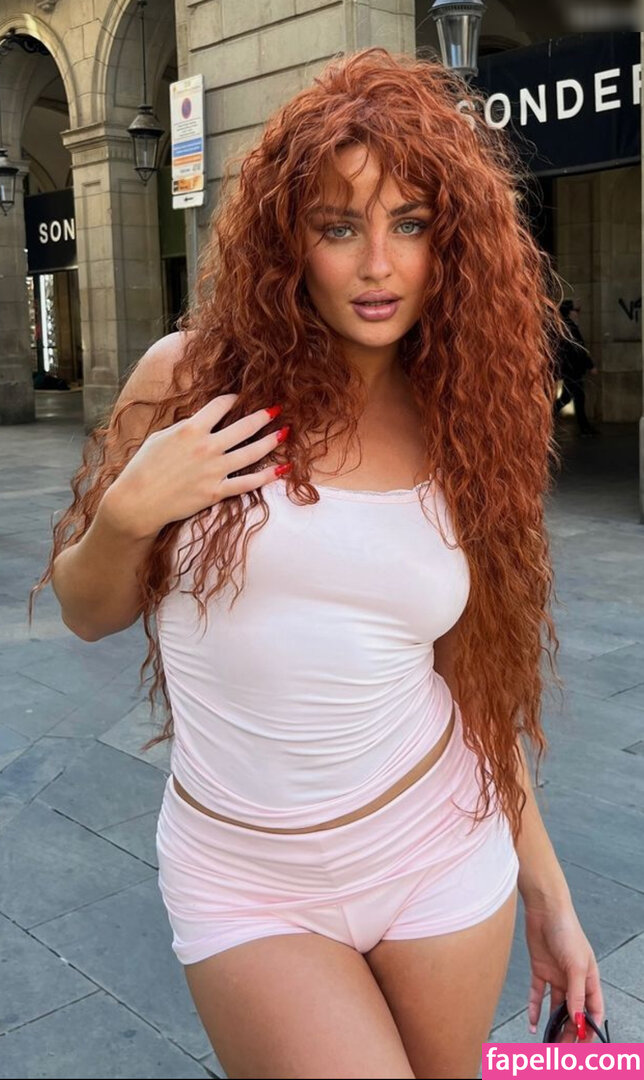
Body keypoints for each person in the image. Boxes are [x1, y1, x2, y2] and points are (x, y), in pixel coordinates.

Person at [30, 49, 605, 1079]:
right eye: (340, 228)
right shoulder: (188, 382)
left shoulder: (464, 421)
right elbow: (85, 610)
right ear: (288, 241)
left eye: (409, 225)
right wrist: (128, 514)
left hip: (438, 851)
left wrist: (550, 898)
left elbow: (476, 682)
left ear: (450, 242)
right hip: (246, 880)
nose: (378, 265)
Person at [553, 299, 599, 437]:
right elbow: (579, 351)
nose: (578, 313)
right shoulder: (570, 328)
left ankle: (585, 427)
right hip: (572, 370)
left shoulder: (568, 327)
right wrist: (590, 366)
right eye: (576, 310)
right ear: (569, 312)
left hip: (571, 370)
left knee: (570, 398)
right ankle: (584, 428)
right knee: (576, 398)